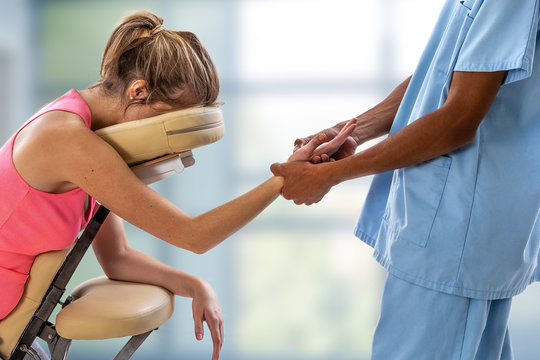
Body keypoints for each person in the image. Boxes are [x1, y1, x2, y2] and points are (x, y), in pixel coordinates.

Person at [0, 10, 354, 360]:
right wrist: (283, 178)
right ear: (138, 91)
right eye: (168, 124)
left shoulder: (84, 132)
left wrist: (194, 285)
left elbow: (117, 258)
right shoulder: (68, 140)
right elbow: (194, 235)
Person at [271, 0, 540, 358]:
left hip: (454, 238)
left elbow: (459, 119)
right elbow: (444, 73)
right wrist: (349, 131)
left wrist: (328, 176)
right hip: (461, 237)